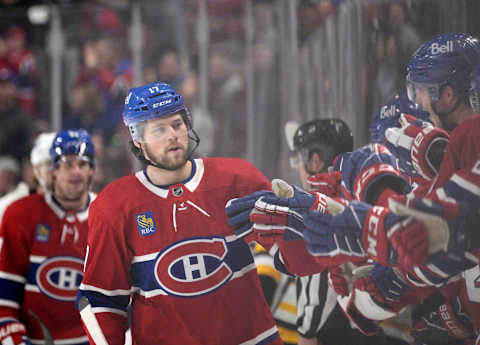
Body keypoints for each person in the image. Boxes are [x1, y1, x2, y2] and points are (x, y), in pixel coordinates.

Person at [77, 81, 283, 345]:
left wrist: (305, 224)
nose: (172, 135)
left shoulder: (238, 180)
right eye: (159, 129)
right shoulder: (115, 207)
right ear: (137, 140)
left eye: (177, 124)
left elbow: (291, 257)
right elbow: (101, 299)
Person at [0, 129, 96, 345]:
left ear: (92, 171)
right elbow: (5, 297)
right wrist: (13, 339)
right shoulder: (20, 214)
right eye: (67, 164)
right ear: (53, 171)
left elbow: (121, 297)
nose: (76, 172)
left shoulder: (108, 217)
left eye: (82, 164)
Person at [0, 132, 55, 224]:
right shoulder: (8, 206)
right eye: (48, 163)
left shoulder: (78, 207)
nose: (55, 170)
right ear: (33, 169)